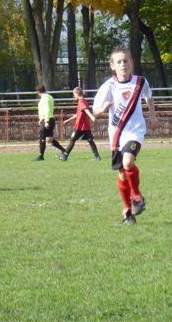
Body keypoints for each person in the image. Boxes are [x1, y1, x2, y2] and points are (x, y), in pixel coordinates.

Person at [93, 47, 157, 225]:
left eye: (126, 61)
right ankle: (128, 212)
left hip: (135, 131)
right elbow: (94, 110)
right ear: (112, 65)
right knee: (122, 174)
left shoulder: (140, 82)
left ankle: (136, 195)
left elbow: (149, 96)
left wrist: (152, 115)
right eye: (119, 62)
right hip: (116, 135)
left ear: (131, 63)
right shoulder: (108, 86)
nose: (123, 65)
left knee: (128, 162)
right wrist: (102, 109)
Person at [59, 87, 101, 162]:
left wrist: (91, 117)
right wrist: (68, 120)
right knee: (90, 141)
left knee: (72, 140)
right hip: (86, 126)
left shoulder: (81, 101)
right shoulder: (84, 100)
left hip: (80, 126)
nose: (73, 96)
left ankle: (64, 156)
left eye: (74, 94)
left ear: (77, 93)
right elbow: (78, 114)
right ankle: (97, 156)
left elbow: (86, 110)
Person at [33, 85, 67, 161]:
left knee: (42, 137)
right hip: (51, 118)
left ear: (38, 92)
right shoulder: (50, 97)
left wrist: (46, 121)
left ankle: (41, 156)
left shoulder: (44, 98)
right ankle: (63, 150)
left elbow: (46, 109)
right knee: (49, 139)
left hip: (46, 119)